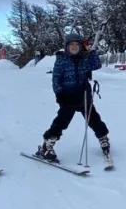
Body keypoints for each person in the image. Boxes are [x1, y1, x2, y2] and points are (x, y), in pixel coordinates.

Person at [35, 33, 110, 163]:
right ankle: (46, 146)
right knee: (62, 122)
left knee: (93, 118)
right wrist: (59, 93)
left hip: (83, 95)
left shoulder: (84, 58)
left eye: (77, 44)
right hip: (67, 96)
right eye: (72, 44)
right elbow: (56, 78)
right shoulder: (61, 59)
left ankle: (103, 137)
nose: (74, 47)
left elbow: (97, 65)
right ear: (67, 46)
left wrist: (90, 51)